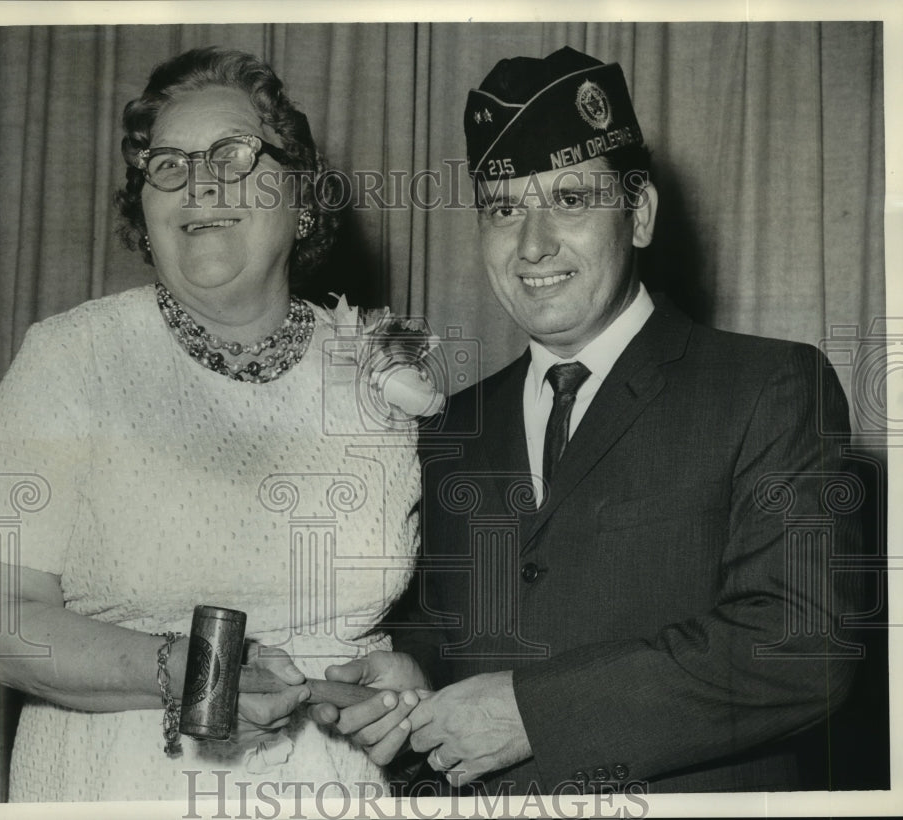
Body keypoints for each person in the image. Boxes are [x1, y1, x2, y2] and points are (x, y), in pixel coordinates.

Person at [310, 46, 863, 793]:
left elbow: (802, 646)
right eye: (505, 208)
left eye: (570, 200)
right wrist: (413, 670)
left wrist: (538, 714)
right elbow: (453, 632)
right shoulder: (452, 426)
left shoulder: (767, 386)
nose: (532, 244)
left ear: (638, 215)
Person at [0, 46, 423, 802]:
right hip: (124, 787)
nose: (199, 183)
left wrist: (401, 683)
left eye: (232, 154)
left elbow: (404, 617)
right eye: (167, 165)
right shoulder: (73, 357)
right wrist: (198, 671)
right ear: (146, 209)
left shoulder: (374, 367)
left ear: (300, 198)